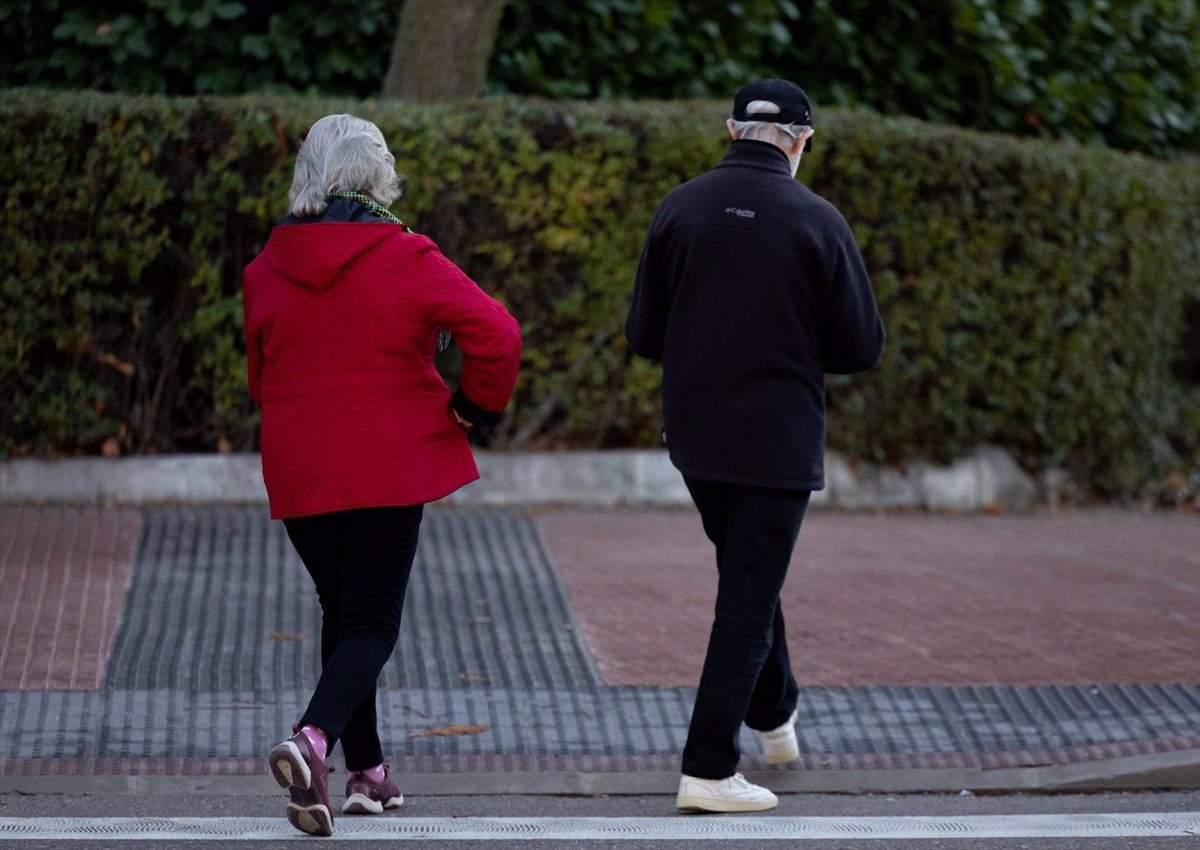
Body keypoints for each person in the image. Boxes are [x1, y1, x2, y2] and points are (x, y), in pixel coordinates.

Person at [243, 114, 521, 836]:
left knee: (342, 613)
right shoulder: (404, 255)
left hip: (300, 466)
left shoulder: (266, 266)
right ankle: (310, 741)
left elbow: (259, 375)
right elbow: (497, 332)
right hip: (386, 465)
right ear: (378, 178)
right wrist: (471, 407)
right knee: (370, 623)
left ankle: (365, 777)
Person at [626, 78, 885, 813]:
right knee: (745, 598)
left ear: (730, 130)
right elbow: (861, 346)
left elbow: (642, 334)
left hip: (697, 436)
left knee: (748, 579)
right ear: (803, 141)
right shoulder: (817, 219)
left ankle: (774, 718)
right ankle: (708, 769)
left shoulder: (679, 206)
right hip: (777, 440)